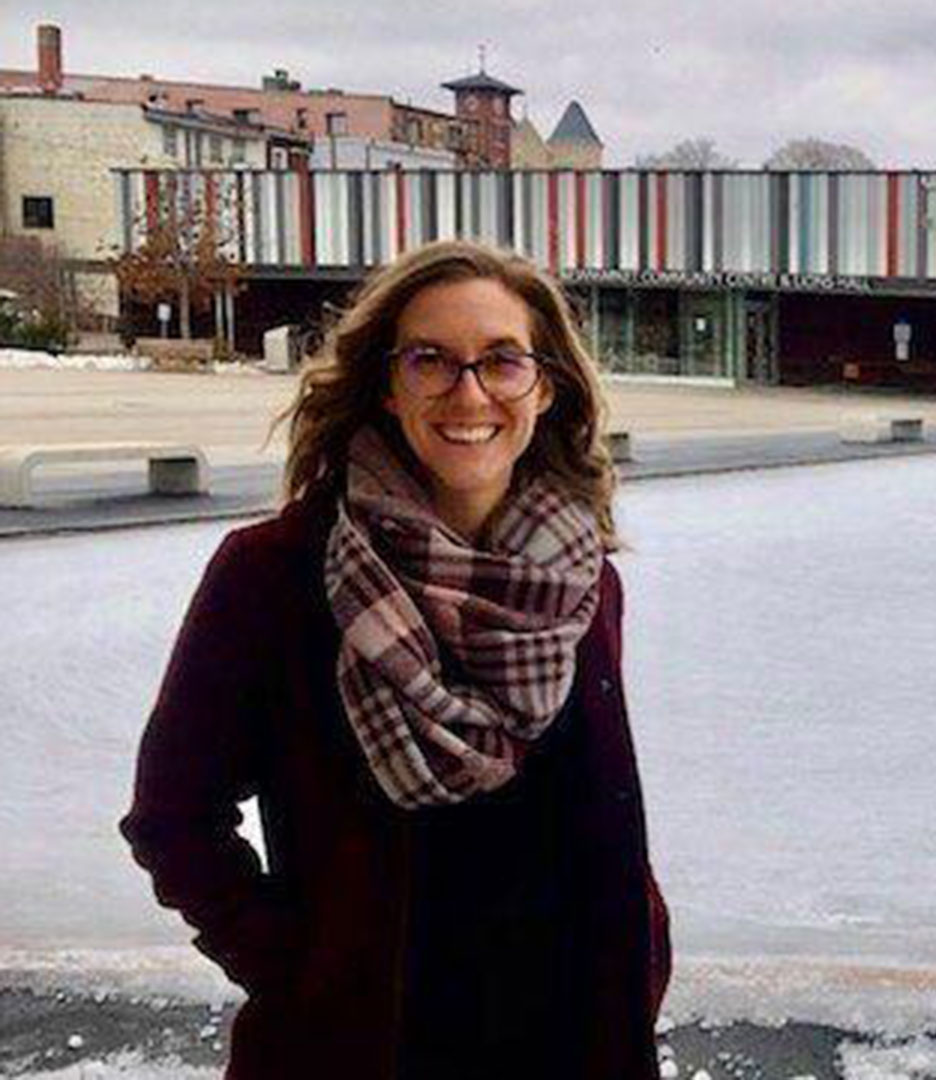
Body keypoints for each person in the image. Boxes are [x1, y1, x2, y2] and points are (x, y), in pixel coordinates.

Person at [121, 241, 671, 1080]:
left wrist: (643, 945)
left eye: (502, 362)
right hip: (369, 1042)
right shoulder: (275, 573)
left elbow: (594, 803)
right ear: (386, 383)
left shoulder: (584, 581)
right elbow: (173, 814)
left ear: (545, 385)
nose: (470, 392)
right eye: (431, 362)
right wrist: (299, 966)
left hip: (571, 1032)